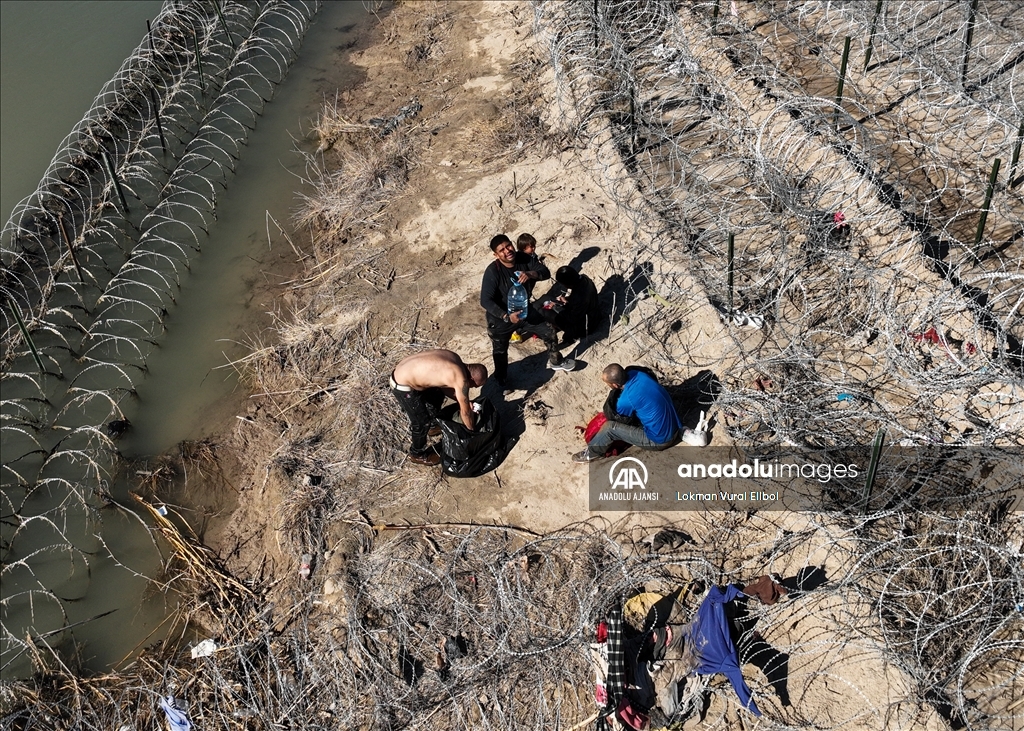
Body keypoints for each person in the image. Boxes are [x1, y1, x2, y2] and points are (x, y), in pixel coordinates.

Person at [480, 234, 575, 388]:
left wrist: (531, 274)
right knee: (500, 351)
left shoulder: (524, 258)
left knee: (548, 331)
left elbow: (545, 272)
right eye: (501, 250)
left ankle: (556, 360)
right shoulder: (493, 271)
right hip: (500, 319)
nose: (507, 251)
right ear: (496, 255)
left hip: (525, 310)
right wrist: (506, 316)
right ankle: (502, 380)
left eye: (508, 246)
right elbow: (485, 300)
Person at [391, 349, 488, 465]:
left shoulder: (455, 359)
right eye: (473, 385)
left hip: (405, 370)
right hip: (402, 385)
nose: (471, 388)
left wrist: (465, 402)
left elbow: (444, 385)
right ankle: (417, 454)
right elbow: (466, 413)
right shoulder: (460, 378)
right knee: (421, 423)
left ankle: (432, 426)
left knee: (437, 393)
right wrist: (471, 432)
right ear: (471, 379)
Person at [573, 363, 681, 462]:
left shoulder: (626, 399)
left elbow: (620, 419)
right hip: (676, 426)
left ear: (615, 385)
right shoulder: (639, 374)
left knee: (610, 428)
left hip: (660, 440)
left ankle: (592, 453)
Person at [541, 265, 602, 342]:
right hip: (594, 314)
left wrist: (555, 307)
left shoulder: (579, 297)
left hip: (586, 326)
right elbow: (580, 299)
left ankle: (569, 334)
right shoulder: (584, 279)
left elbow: (572, 318)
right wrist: (567, 299)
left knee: (546, 313)